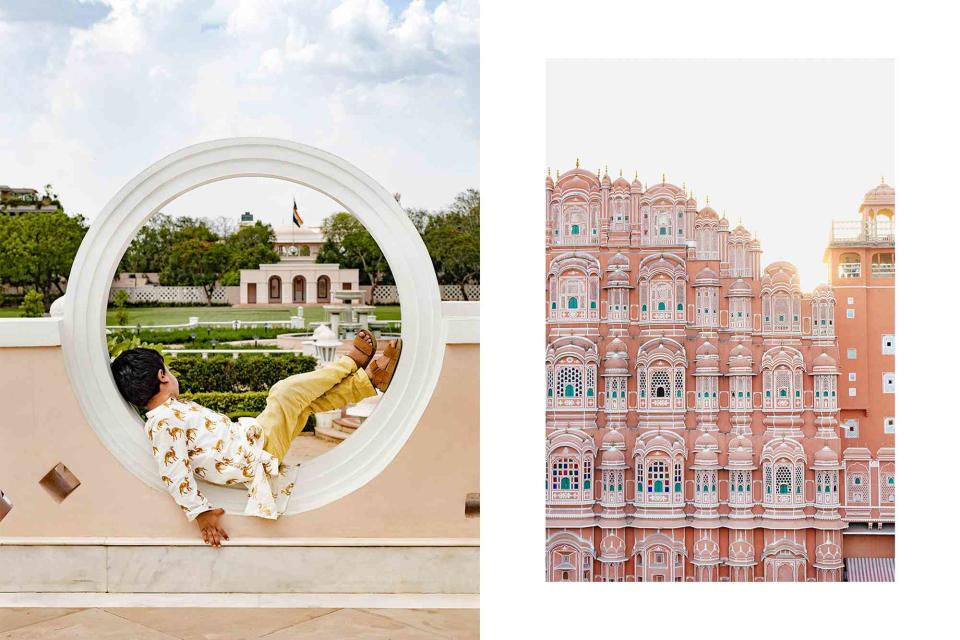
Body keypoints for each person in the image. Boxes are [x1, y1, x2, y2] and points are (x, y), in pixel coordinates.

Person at [109, 330, 401, 547]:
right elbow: (174, 472)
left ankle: (370, 382)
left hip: (254, 442)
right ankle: (350, 363)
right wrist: (200, 513)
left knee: (302, 402)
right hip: (256, 454)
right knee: (284, 393)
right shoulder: (162, 422)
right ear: (162, 376)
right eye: (169, 370)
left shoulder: (171, 412)